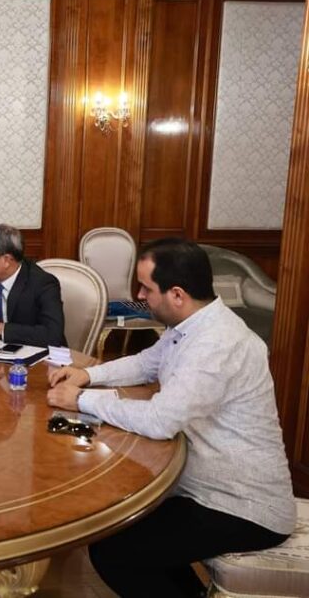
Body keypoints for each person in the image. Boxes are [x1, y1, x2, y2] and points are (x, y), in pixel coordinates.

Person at [47, 238, 295, 598]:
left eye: (146, 288)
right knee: (122, 533)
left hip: (242, 505)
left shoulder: (217, 343)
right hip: (205, 489)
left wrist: (82, 399)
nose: (139, 295)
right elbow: (146, 363)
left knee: (115, 553)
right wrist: (88, 375)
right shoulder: (193, 325)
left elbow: (160, 421)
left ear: (177, 294)